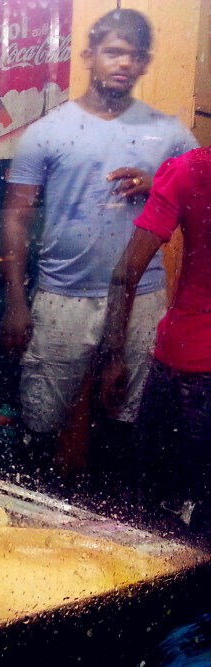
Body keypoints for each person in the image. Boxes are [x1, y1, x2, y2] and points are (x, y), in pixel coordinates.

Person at [0, 9, 198, 479]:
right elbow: (15, 217)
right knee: (40, 423)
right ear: (89, 56)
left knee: (128, 424)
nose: (123, 63)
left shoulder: (167, 133)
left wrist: (159, 184)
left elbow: (203, 195)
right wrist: (15, 301)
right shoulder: (48, 131)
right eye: (113, 51)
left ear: (146, 62)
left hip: (142, 296)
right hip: (62, 296)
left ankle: (116, 533)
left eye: (134, 54)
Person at [99, 145, 211, 533]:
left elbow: (124, 273)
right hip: (189, 371)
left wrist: (113, 357)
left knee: (150, 512)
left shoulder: (187, 171)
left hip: (178, 361)